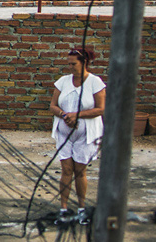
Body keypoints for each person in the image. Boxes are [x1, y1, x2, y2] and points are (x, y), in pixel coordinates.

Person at [49, 47, 105, 224]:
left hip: (86, 133)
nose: (70, 67)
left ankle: (82, 209)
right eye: (69, 64)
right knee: (66, 170)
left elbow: (100, 109)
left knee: (80, 171)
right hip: (64, 132)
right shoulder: (63, 82)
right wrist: (65, 115)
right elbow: (53, 106)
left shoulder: (95, 83)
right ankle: (64, 209)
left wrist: (77, 115)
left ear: (84, 63)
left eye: (74, 64)